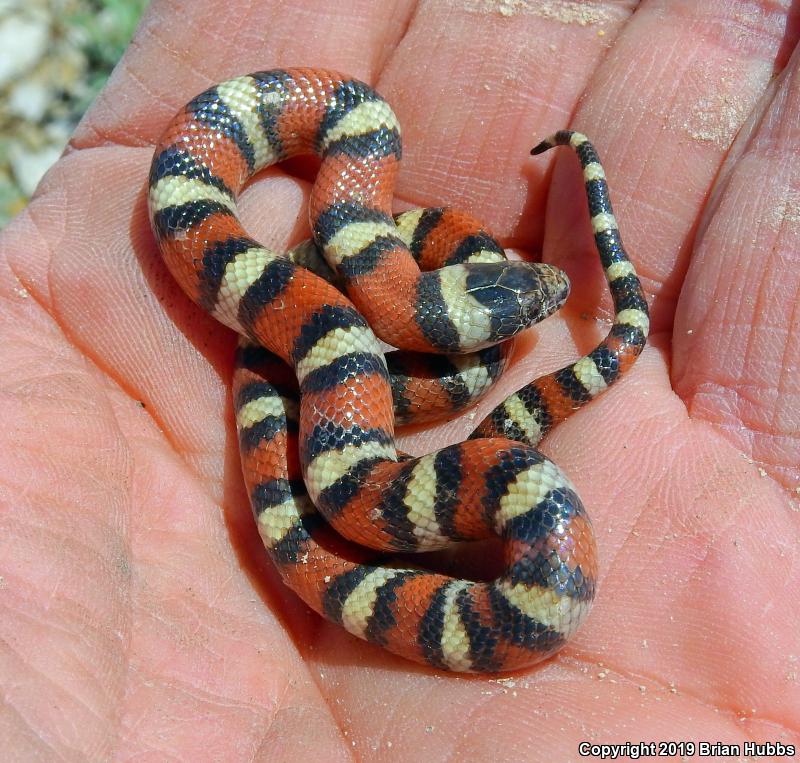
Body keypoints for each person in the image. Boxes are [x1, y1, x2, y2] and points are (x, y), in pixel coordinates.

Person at [0, 1, 797, 758]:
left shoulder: (354, 285)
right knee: (357, 364)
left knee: (385, 392)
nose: (544, 301)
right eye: (519, 313)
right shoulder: (348, 261)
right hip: (366, 383)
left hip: (378, 398)